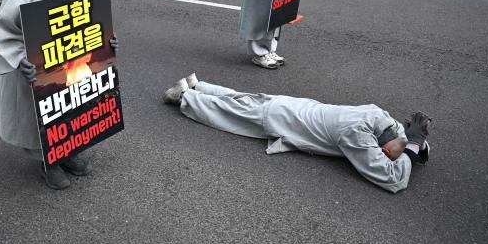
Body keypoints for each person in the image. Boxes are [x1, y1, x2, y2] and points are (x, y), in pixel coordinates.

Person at [0, 0, 117, 190]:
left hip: (71, 61)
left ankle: (68, 151)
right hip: (35, 65)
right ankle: (48, 163)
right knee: (42, 115)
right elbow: (3, 32)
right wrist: (18, 60)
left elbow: (92, 18)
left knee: (71, 107)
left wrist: (106, 41)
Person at [163, 75, 431, 193]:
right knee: (227, 114)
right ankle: (184, 96)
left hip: (292, 106)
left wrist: (412, 142)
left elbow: (401, 136)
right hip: (281, 118)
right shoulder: (358, 135)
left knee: (241, 100)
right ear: (380, 144)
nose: (385, 155)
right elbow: (392, 179)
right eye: (385, 152)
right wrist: (413, 146)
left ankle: (199, 85)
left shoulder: (379, 117)